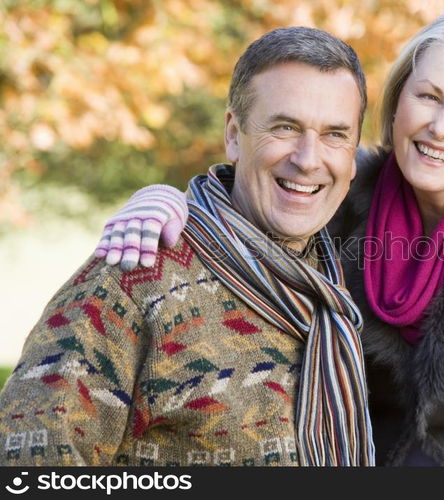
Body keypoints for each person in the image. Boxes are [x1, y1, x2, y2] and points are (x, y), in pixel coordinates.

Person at [94, 11, 444, 465]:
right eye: (428, 97)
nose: (440, 127)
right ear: (396, 104)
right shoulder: (344, 192)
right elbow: (250, 191)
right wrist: (160, 200)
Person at [0, 27, 375, 466]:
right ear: (234, 135)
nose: (309, 158)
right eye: (285, 127)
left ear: (353, 154)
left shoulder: (338, 278)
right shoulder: (133, 275)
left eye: (335, 134)